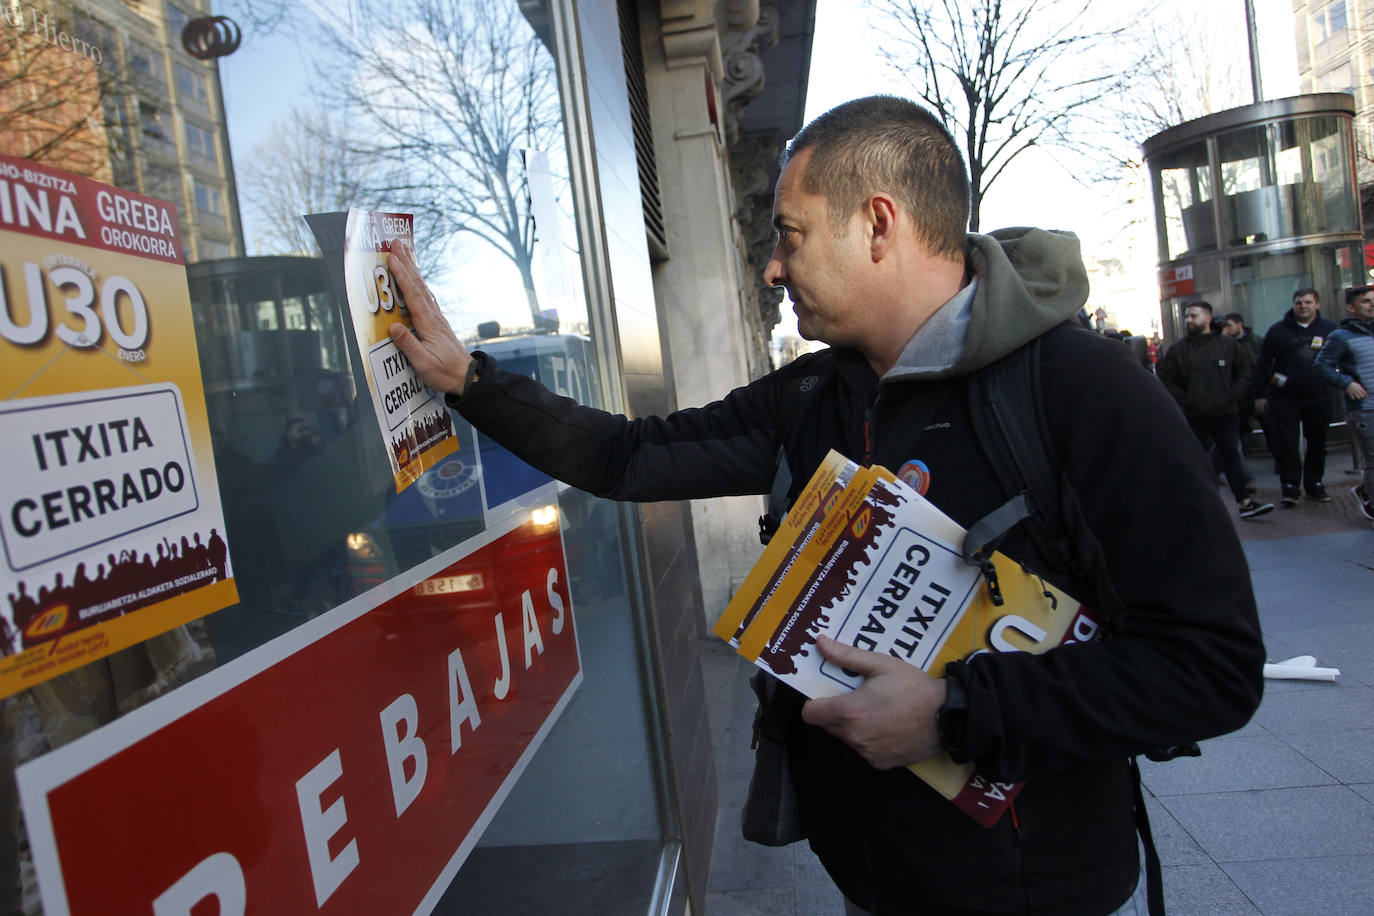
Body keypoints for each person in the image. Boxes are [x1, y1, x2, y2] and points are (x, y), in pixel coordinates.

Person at [387, 96, 1263, 915]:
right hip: (869, 871)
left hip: (1028, 888)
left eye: (791, 236)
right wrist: (471, 382)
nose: (773, 267)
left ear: (878, 224)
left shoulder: (1085, 391)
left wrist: (952, 711)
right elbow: (630, 455)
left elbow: (1210, 668)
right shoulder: (812, 398)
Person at [1157, 302, 1273, 518]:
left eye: (1194, 316)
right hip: (1194, 413)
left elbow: (1245, 372)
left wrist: (1232, 394)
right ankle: (1202, 503)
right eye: (1187, 316)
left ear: (1208, 318)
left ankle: (1244, 502)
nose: (1188, 320)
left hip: (1225, 412)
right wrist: (1185, 400)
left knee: (1231, 455)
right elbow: (1167, 378)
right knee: (1196, 459)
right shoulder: (1178, 351)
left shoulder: (1228, 346)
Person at [1253, 288, 1339, 505]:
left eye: (1308, 302)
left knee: (1317, 442)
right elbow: (1263, 364)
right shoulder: (1277, 331)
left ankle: (1314, 484)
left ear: (1317, 304)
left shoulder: (1330, 330)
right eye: (1299, 302)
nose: (1303, 306)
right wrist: (1259, 394)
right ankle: (1290, 487)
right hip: (1284, 397)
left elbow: (1343, 359)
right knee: (1287, 443)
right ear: (1293, 304)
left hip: (1319, 395)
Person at [1315, 286, 1374, 521]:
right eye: (1365, 302)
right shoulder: (1341, 336)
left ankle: (1363, 490)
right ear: (1351, 308)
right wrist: (1347, 383)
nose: (1372, 305)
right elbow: (1322, 365)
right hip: (1364, 409)